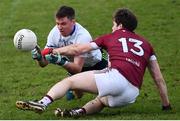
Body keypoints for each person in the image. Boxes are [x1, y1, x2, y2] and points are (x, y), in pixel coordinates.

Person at [16, 8, 172, 117]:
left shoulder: (109, 37)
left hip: (113, 76)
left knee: (69, 82)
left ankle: (43, 103)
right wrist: (166, 106)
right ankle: (78, 112)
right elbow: (158, 79)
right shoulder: (147, 44)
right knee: (101, 100)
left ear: (120, 25)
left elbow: (78, 49)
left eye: (113, 24)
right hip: (131, 93)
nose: (112, 27)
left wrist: (52, 52)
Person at [32, 5, 107, 100]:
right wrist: (39, 58)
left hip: (98, 62)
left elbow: (77, 68)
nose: (59, 27)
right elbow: (44, 64)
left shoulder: (82, 36)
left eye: (63, 24)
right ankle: (74, 89)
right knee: (77, 96)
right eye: (57, 23)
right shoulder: (54, 33)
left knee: (107, 92)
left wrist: (61, 61)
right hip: (75, 65)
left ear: (73, 22)